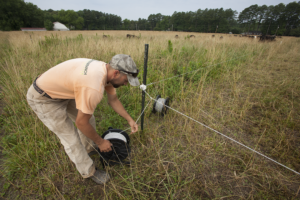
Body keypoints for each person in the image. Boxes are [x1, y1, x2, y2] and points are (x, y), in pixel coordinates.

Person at [26, 54, 140, 184]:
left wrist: (130, 120)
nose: (126, 84)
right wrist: (101, 142)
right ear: (116, 73)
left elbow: (113, 100)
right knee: (71, 139)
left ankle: (89, 150)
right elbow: (81, 123)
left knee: (89, 120)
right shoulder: (93, 87)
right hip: (44, 98)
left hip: (66, 91)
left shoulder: (106, 72)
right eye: (126, 80)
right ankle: (89, 171)